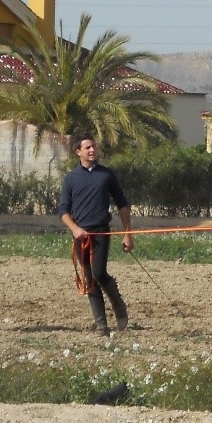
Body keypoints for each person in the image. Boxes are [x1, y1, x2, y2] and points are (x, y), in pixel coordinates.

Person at [59, 135, 134, 336]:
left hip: (101, 232)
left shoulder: (107, 175)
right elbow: (63, 211)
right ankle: (101, 324)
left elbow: (123, 205)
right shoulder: (71, 178)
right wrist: (75, 229)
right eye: (87, 147)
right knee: (89, 279)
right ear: (78, 151)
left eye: (93, 147)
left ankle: (118, 305)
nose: (92, 150)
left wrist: (127, 234)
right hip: (81, 235)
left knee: (99, 272)